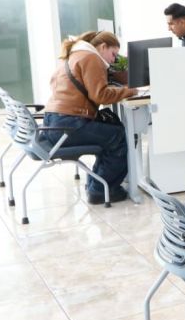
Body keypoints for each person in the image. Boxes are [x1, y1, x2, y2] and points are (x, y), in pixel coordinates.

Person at [42, 31, 139, 204]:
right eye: (113, 54)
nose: (113, 60)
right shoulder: (91, 57)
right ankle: (101, 191)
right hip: (68, 125)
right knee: (118, 136)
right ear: (103, 47)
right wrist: (130, 91)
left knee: (112, 128)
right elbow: (100, 95)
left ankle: (97, 184)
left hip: (54, 123)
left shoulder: (76, 54)